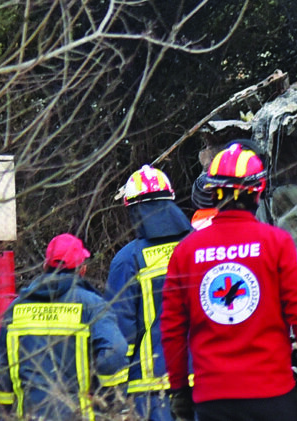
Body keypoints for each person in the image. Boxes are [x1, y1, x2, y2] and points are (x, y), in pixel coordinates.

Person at [160, 144, 297, 421]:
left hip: (213, 400)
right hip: (273, 396)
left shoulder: (186, 251)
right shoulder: (277, 243)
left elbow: (172, 330)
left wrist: (178, 390)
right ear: (258, 193)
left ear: (212, 192)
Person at [0, 234, 130, 421]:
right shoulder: (92, 306)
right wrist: (109, 399)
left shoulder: (16, 309)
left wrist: (1, 416)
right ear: (82, 270)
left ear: (44, 267)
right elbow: (114, 353)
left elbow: (1, 376)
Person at [103, 167, 188, 421]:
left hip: (152, 384)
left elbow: (120, 329)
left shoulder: (128, 260)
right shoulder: (200, 247)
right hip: (206, 377)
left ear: (133, 210)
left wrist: (112, 386)